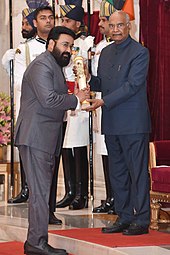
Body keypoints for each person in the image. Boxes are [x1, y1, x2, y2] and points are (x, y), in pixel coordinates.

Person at [15, 25, 89, 255]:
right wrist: (75, 99)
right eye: (64, 45)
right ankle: (36, 244)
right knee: (39, 193)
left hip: (44, 138)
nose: (68, 50)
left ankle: (36, 241)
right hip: (36, 137)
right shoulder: (41, 66)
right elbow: (49, 100)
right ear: (51, 44)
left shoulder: (53, 66)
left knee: (42, 192)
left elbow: (55, 97)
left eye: (71, 46)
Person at [86, 10, 151, 235]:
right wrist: (86, 78)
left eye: (119, 25)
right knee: (118, 173)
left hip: (133, 124)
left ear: (128, 26)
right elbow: (104, 82)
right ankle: (124, 217)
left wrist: (103, 101)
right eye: (111, 26)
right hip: (112, 122)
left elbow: (132, 86)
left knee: (137, 172)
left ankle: (141, 220)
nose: (115, 29)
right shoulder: (105, 53)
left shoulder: (139, 52)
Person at [56, 0, 94, 210]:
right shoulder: (60, 42)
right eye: (63, 19)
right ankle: (70, 190)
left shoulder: (87, 42)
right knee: (65, 145)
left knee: (78, 145)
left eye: (68, 20)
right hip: (65, 98)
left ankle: (82, 192)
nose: (64, 22)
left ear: (78, 24)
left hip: (80, 98)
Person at [1, 7, 37, 204]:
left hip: (37, 106)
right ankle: (25, 187)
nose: (23, 27)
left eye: (26, 23)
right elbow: (13, 78)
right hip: (22, 103)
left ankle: (34, 189)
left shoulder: (36, 48)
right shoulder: (20, 49)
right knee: (23, 146)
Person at [91, 0, 115, 215]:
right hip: (99, 104)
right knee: (103, 152)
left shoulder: (120, 47)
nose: (99, 24)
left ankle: (117, 197)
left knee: (114, 153)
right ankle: (109, 196)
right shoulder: (98, 47)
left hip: (112, 105)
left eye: (103, 20)